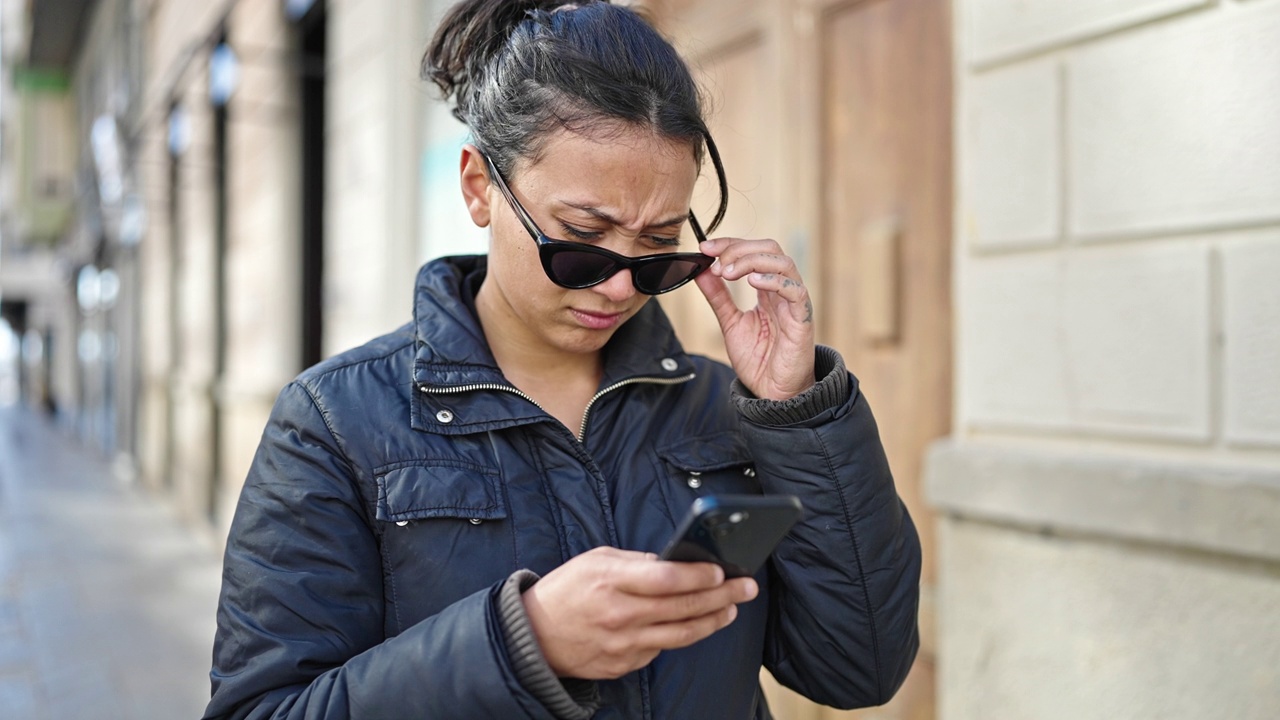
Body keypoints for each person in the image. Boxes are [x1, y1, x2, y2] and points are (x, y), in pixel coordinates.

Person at [203, 1, 921, 718]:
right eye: (581, 239)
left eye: (656, 249)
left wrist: (798, 413)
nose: (617, 286)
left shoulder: (723, 409)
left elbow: (859, 670)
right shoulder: (336, 420)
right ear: (480, 188)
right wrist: (523, 645)